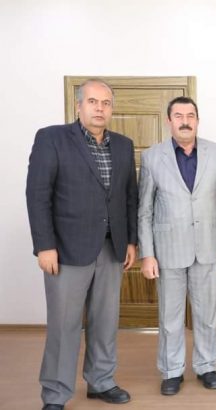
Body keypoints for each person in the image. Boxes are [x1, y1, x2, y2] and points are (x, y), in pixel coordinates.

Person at [26, 79, 138, 409]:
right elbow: (38, 195)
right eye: (92, 101)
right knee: (65, 326)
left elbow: (129, 197)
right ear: (78, 106)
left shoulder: (123, 145)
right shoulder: (52, 139)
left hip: (112, 248)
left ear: (111, 109)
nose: (99, 108)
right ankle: (56, 393)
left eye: (105, 103)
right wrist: (44, 245)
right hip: (65, 250)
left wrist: (131, 241)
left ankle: (101, 381)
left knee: (105, 321)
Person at [137, 96, 216, 396]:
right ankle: (171, 370)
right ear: (169, 121)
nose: (185, 121)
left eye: (190, 115)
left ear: (197, 120)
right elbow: (144, 211)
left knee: (207, 314)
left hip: (208, 246)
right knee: (170, 317)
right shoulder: (152, 157)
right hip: (168, 250)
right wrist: (147, 254)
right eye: (178, 116)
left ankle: (206, 366)